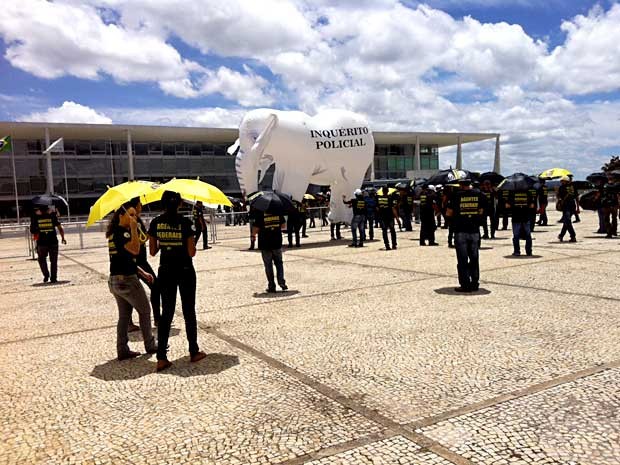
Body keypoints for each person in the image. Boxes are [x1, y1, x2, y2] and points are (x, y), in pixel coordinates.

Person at [149, 191, 206, 372]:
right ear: (180, 204)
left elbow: (152, 251)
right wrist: (190, 241)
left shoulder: (156, 223)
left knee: (167, 313)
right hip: (185, 270)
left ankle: (161, 357)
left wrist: (165, 242)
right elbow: (191, 252)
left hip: (165, 270)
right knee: (189, 311)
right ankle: (193, 351)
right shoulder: (185, 223)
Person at [106, 203, 157, 360]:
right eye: (131, 214)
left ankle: (122, 349)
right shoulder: (124, 233)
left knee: (124, 316)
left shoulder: (113, 233)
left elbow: (125, 259)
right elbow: (135, 250)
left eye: (135, 214)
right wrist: (134, 229)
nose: (135, 218)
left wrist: (142, 272)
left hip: (116, 279)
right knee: (145, 311)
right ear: (121, 215)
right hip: (127, 280)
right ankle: (150, 344)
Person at [125, 197, 161, 329]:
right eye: (140, 204)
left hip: (141, 259)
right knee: (154, 285)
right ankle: (157, 318)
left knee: (131, 292)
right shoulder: (130, 220)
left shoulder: (136, 219)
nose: (142, 206)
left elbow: (143, 237)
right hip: (136, 261)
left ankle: (156, 318)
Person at [446, 179, 485, 292]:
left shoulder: (455, 196)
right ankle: (475, 282)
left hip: (460, 231)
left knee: (462, 260)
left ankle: (465, 284)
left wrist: (452, 221)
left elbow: (449, 213)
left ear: (460, 185)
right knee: (474, 258)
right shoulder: (480, 195)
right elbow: (481, 211)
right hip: (474, 231)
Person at [252, 210, 287, 293]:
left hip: (265, 243)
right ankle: (281, 282)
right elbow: (283, 226)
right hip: (277, 242)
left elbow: (255, 229)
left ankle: (271, 285)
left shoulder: (260, 215)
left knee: (268, 265)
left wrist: (253, 235)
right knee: (279, 264)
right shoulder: (278, 213)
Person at [30, 206, 66, 283]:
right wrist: (63, 238)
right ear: (47, 209)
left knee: (41, 259)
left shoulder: (35, 217)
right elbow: (60, 228)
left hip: (42, 243)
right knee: (54, 261)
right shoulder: (52, 216)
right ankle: (53, 278)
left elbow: (32, 230)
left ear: (39, 209)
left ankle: (46, 275)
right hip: (53, 242)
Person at [508, 189, 535, 256]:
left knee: (516, 236)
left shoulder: (512, 193)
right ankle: (529, 251)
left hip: (516, 217)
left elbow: (507, 205)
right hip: (526, 216)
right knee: (528, 235)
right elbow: (532, 205)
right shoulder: (529, 193)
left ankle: (517, 251)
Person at [376, 186, 398, 250]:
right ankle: (394, 245)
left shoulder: (379, 199)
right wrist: (397, 218)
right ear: (388, 191)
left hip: (382, 217)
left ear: (382, 191)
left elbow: (377, 208)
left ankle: (387, 245)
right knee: (392, 230)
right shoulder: (390, 198)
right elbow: (393, 208)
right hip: (390, 216)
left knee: (384, 231)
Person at [557, 176, 578, 242]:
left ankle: (573, 235)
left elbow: (576, 197)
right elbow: (559, 197)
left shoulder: (571, 187)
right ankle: (561, 235)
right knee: (567, 221)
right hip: (567, 206)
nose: (561, 182)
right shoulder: (562, 187)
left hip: (570, 207)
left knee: (567, 221)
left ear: (566, 181)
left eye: (562, 181)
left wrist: (578, 207)